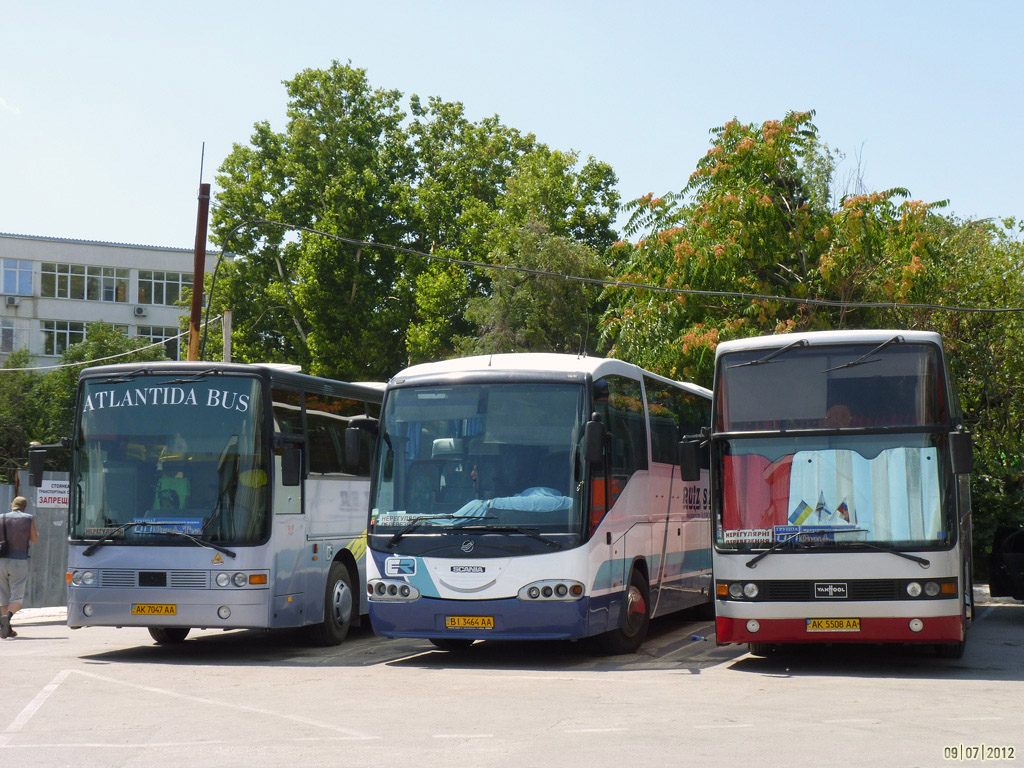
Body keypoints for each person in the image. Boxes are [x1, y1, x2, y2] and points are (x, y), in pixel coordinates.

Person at [1, 496, 40, 640]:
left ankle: (7, 629)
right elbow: (34, 538)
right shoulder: (28, 518)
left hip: (1, 560)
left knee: (3, 595)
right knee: (17, 597)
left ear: (12, 505)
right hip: (19, 561)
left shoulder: (1, 518)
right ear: (24, 507)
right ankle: (7, 618)